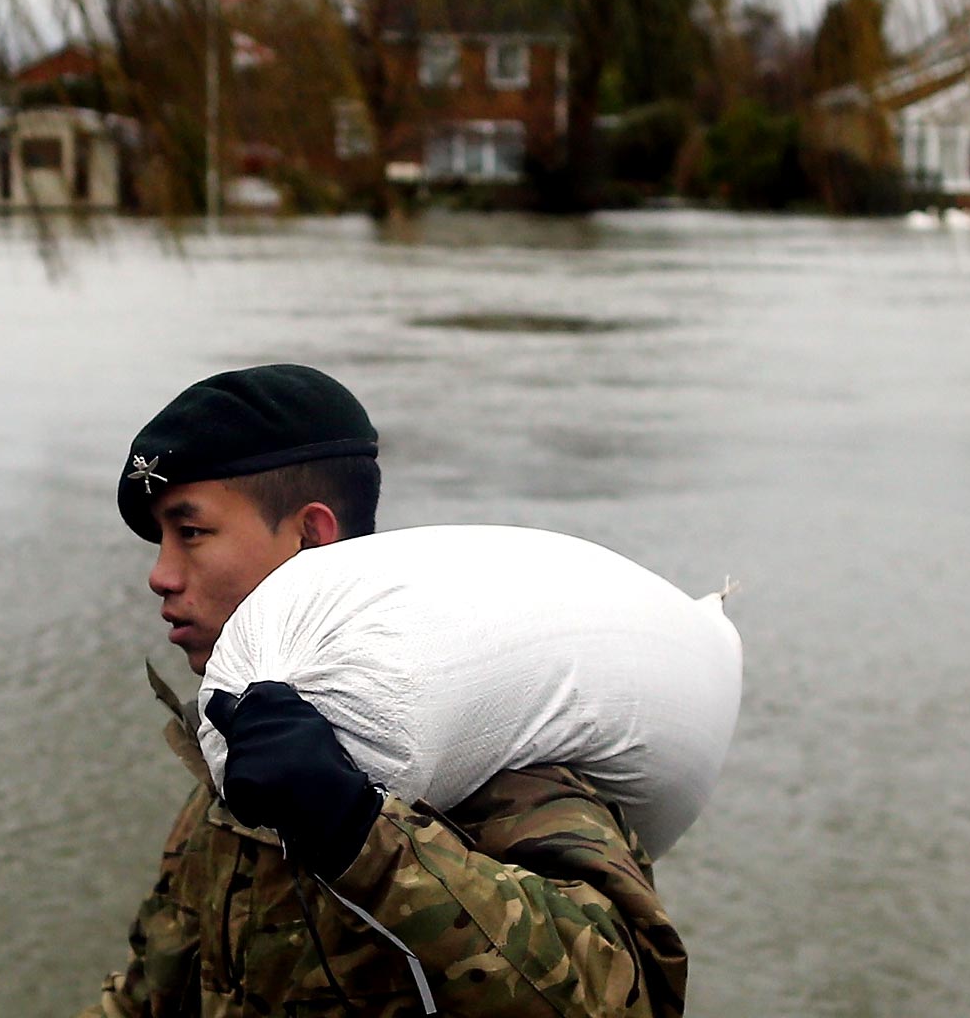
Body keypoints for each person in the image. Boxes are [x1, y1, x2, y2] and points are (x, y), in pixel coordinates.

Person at [80, 363, 688, 1018]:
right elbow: (152, 992)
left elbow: (626, 997)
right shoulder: (232, 767)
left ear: (311, 536)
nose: (161, 575)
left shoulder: (477, 745)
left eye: (190, 533)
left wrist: (354, 829)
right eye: (161, 540)